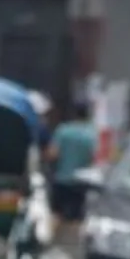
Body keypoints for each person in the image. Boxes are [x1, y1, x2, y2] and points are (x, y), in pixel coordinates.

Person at [47, 101, 99, 238]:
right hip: (81, 182)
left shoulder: (63, 130)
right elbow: (95, 157)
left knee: (56, 214)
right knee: (77, 217)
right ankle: (74, 246)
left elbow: (53, 154)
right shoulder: (91, 133)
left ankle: (53, 242)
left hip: (61, 179)